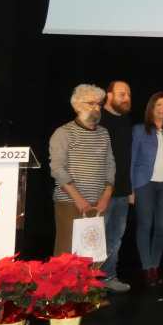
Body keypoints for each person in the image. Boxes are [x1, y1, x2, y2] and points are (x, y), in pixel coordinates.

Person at [49, 84, 115, 257]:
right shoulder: (63, 133)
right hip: (70, 203)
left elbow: (110, 165)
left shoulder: (104, 133)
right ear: (77, 105)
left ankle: (89, 285)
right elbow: (57, 168)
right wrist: (78, 199)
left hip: (98, 203)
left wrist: (106, 196)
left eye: (99, 104)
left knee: (93, 254)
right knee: (67, 255)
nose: (96, 107)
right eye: (91, 103)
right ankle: (65, 286)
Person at [131, 92, 163, 287]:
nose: (162, 109)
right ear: (151, 108)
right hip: (144, 184)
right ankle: (148, 267)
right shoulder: (139, 130)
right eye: (159, 105)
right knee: (145, 226)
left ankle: (155, 264)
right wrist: (131, 189)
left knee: (162, 227)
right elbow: (133, 161)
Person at [98, 80, 133, 292]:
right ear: (108, 96)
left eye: (128, 94)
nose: (127, 98)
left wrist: (130, 189)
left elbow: (127, 158)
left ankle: (109, 277)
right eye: (122, 94)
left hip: (121, 191)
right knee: (95, 238)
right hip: (101, 192)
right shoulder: (98, 119)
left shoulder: (126, 121)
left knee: (115, 237)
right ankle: (90, 282)